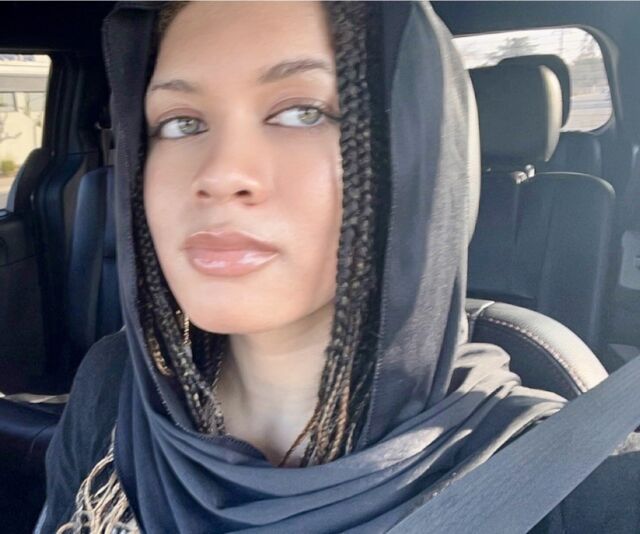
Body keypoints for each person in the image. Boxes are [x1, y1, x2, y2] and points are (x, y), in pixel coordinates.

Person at [37, 2, 640, 533]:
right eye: (181, 123)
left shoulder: (584, 489)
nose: (219, 173)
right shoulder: (116, 386)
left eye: (302, 112)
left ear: (413, 149)